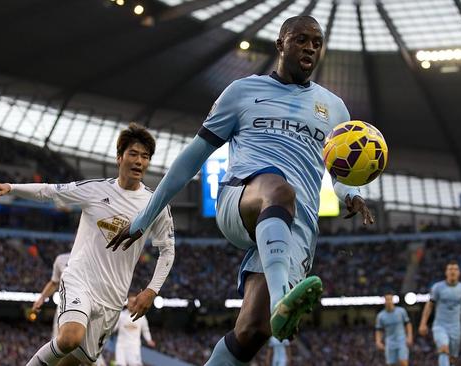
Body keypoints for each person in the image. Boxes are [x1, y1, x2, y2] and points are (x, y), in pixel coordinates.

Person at [107, 15, 373, 365]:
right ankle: (283, 298)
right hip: (241, 198)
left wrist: (349, 194)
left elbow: (339, 175)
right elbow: (192, 159)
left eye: (317, 42)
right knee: (279, 190)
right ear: (281, 44)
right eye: (301, 39)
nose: (310, 47)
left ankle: (273, 306)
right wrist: (144, 217)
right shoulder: (242, 92)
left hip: (297, 227)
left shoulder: (335, 108)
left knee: (253, 332)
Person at [0, 123, 176, 366]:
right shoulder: (95, 190)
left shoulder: (156, 205)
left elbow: (167, 251)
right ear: (119, 157)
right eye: (133, 154)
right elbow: (50, 191)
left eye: (145, 156)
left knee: (73, 361)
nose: (139, 161)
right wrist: (11, 187)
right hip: (80, 280)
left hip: (113, 297)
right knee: (70, 337)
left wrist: (151, 290)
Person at [419, 260, 461, 366]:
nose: (453, 271)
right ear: (446, 272)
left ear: (459, 272)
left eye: (455, 269)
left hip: (455, 328)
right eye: (450, 269)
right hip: (440, 325)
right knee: (443, 348)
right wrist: (423, 323)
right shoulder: (437, 287)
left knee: (452, 358)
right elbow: (429, 305)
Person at [32, 252, 70, 338]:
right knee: (58, 341)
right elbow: (54, 283)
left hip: (87, 306)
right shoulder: (61, 259)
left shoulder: (92, 258)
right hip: (64, 307)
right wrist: (41, 298)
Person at [114, 294, 156, 366]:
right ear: (127, 303)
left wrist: (149, 339)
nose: (131, 304)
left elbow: (145, 329)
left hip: (134, 346)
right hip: (121, 345)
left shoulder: (141, 316)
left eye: (134, 302)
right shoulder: (121, 315)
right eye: (130, 302)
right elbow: (114, 328)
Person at [375, 290, 413, 366]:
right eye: (387, 299)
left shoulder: (401, 311)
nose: (389, 301)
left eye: (390, 299)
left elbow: (408, 324)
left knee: (403, 362)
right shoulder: (381, 316)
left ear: (393, 300)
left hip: (401, 340)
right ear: (384, 301)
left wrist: (409, 336)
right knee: (391, 364)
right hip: (389, 342)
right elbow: (378, 330)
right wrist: (378, 341)